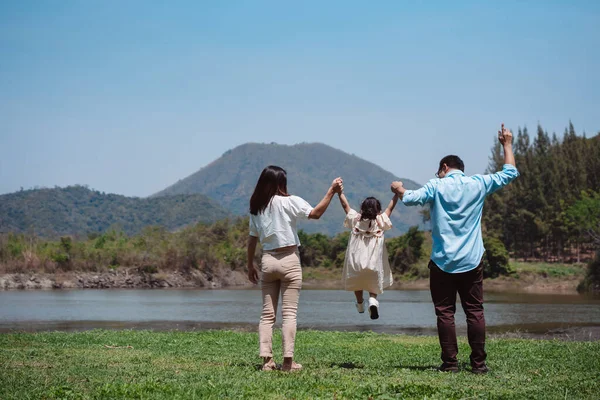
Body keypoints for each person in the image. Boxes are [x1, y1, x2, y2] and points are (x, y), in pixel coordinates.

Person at [391, 124, 519, 374]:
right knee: (475, 312)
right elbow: (510, 173)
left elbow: (410, 198)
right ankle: (479, 365)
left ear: (444, 168)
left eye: (439, 171)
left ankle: (450, 364)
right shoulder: (478, 183)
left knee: (445, 314)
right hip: (472, 261)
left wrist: (398, 189)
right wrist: (506, 144)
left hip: (442, 262)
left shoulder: (436, 186)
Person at [247, 165, 343, 372]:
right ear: (281, 183)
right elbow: (315, 214)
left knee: (267, 314)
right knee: (289, 314)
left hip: (268, 260)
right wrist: (331, 191)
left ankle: (267, 362)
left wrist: (249, 265)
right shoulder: (290, 201)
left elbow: (252, 240)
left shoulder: (256, 207)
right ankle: (288, 363)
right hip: (290, 259)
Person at [337, 191, 398, 319]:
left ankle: (360, 304)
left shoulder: (355, 220)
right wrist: (396, 194)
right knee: (373, 283)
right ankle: (373, 301)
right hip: (374, 265)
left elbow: (345, 205)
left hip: (356, 265)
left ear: (362, 208)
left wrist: (339, 192)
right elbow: (390, 207)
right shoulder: (381, 221)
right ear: (378, 210)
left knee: (357, 282)